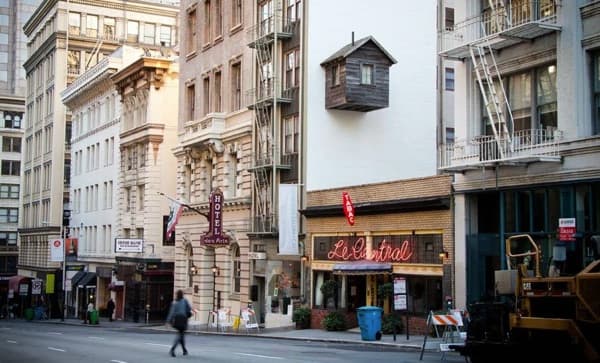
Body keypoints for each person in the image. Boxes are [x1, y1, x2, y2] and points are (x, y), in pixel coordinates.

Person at [166, 290, 192, 357]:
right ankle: (172, 349)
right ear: (182, 294)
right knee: (180, 335)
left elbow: (171, 312)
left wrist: (168, 321)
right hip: (183, 319)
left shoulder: (174, 302)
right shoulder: (185, 300)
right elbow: (189, 309)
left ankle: (184, 350)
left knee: (181, 335)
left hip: (176, 320)